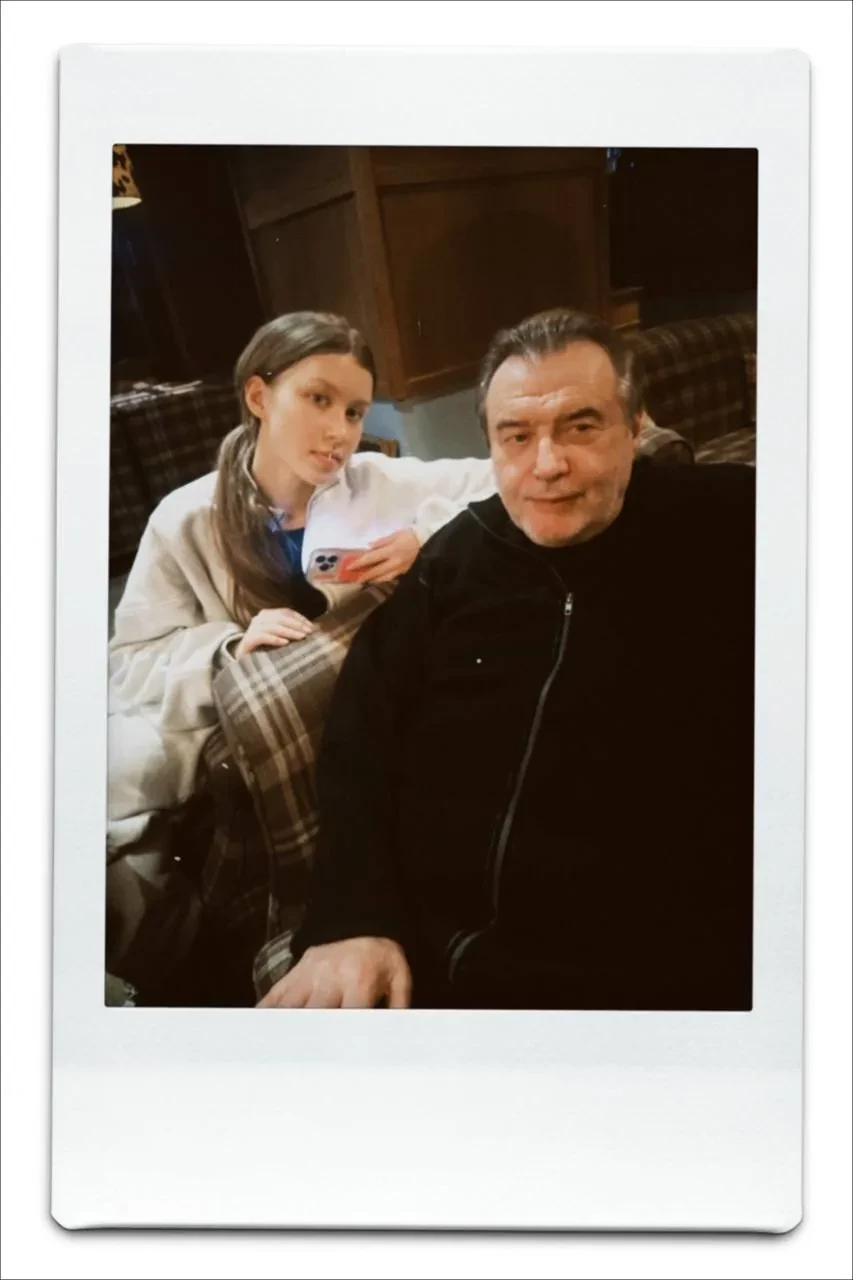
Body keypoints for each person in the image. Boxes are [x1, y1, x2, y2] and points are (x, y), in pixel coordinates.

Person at [260, 307, 756, 1012]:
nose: (546, 465)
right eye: (516, 436)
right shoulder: (456, 557)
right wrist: (353, 914)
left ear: (635, 426)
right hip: (422, 957)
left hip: (654, 974)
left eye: (581, 427)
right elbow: (360, 732)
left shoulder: (737, 522)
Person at [106, 311, 494, 994]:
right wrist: (226, 647)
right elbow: (129, 661)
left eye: (354, 411)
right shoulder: (186, 519)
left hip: (355, 716)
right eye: (317, 399)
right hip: (234, 734)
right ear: (259, 396)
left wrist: (424, 533)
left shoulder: (378, 482)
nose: (339, 430)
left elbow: (500, 477)